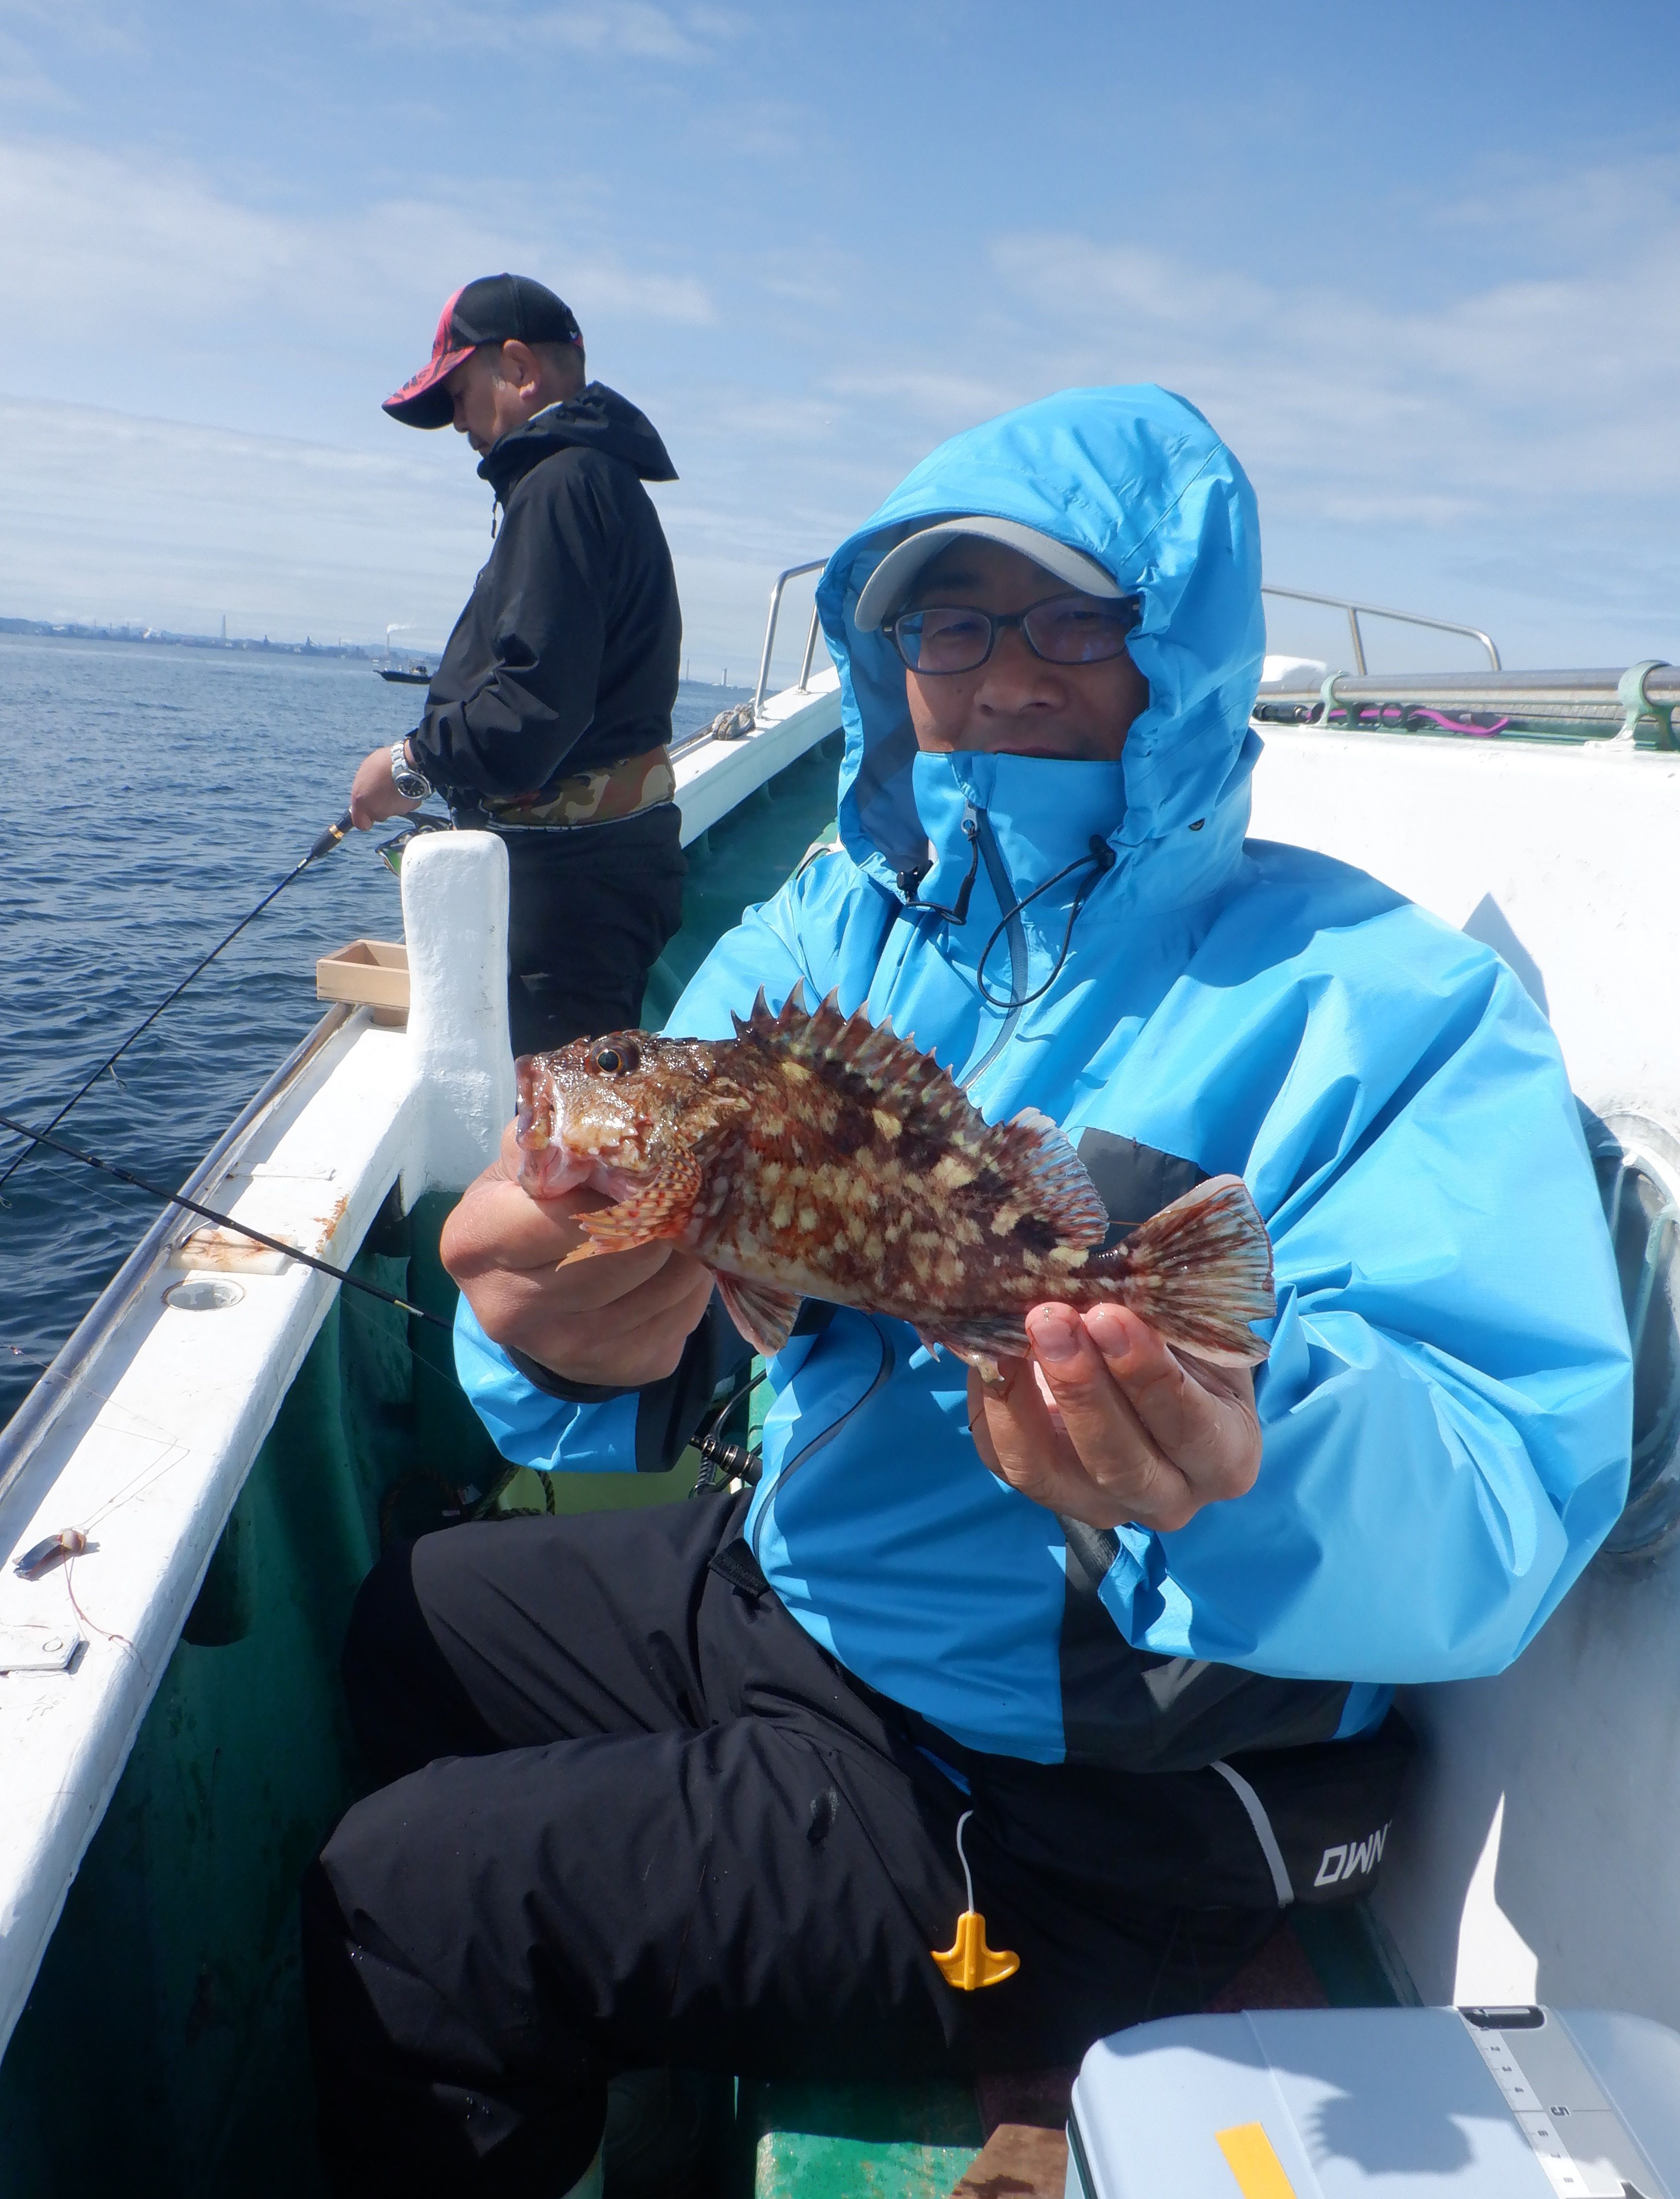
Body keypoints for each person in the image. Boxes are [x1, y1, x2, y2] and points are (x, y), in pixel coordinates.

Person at [304, 386, 1632, 2199]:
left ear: (1182, 644)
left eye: (1072, 622)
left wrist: (1240, 1460)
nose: (1003, 677)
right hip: (811, 1592)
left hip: (1075, 1806)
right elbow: (680, 1299)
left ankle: (929, 2015)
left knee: (408, 1900)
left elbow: (1505, 1482)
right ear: (890, 663)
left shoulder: (1384, 1002)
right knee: (410, 1620)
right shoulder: (833, 925)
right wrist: (552, 1327)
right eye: (948, 624)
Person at [349, 272, 687, 1055]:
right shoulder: (591, 481)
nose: (458, 422)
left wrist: (409, 767)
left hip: (571, 901)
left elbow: (535, 706)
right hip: (595, 883)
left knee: (561, 1116)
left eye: (459, 394)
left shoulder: (559, 486)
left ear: (518, 369)